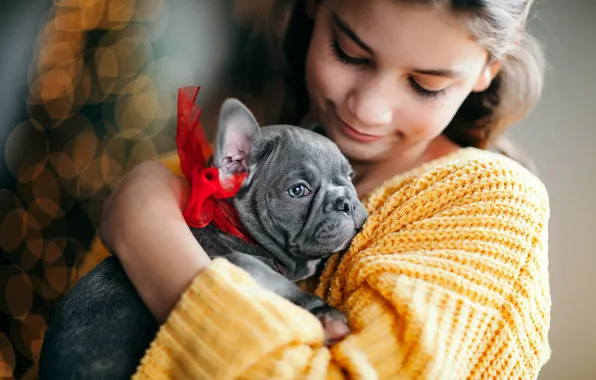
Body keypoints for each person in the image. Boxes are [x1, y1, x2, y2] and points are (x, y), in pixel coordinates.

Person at [95, 0, 552, 378]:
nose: (369, 110)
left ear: (490, 66)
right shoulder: (197, 180)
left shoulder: (488, 207)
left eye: (424, 84)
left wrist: (151, 238)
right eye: (350, 52)